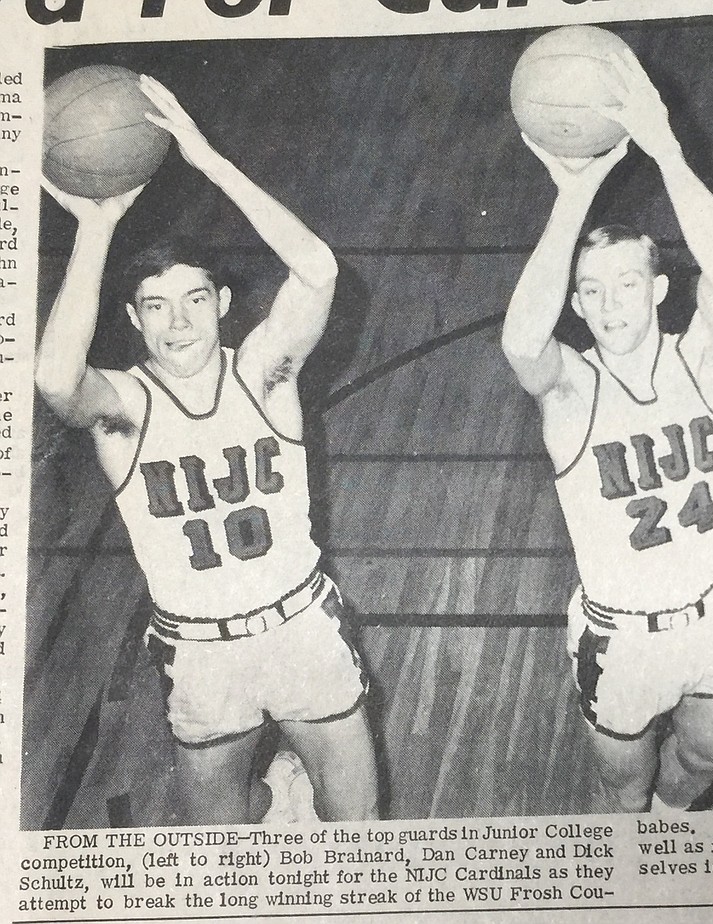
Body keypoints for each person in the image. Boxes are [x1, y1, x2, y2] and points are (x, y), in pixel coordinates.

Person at [34, 76, 378, 825]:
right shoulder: (124, 409)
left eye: (195, 300)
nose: (179, 323)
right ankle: (273, 794)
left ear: (223, 306)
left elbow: (317, 269)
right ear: (133, 318)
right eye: (156, 306)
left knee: (361, 841)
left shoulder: (264, 373)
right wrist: (95, 229)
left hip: (301, 631)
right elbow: (56, 378)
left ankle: (297, 792)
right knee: (217, 849)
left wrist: (207, 159)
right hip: (200, 656)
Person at [502, 49, 713, 813]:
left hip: (712, 613)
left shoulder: (707, 361)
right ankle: (638, 853)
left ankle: (670, 828)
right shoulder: (573, 387)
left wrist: (666, 147)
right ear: (576, 304)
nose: (611, 305)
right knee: (623, 786)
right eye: (592, 291)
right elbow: (520, 345)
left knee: (711, 754)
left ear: (660, 289)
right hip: (619, 638)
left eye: (628, 283)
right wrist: (573, 198)